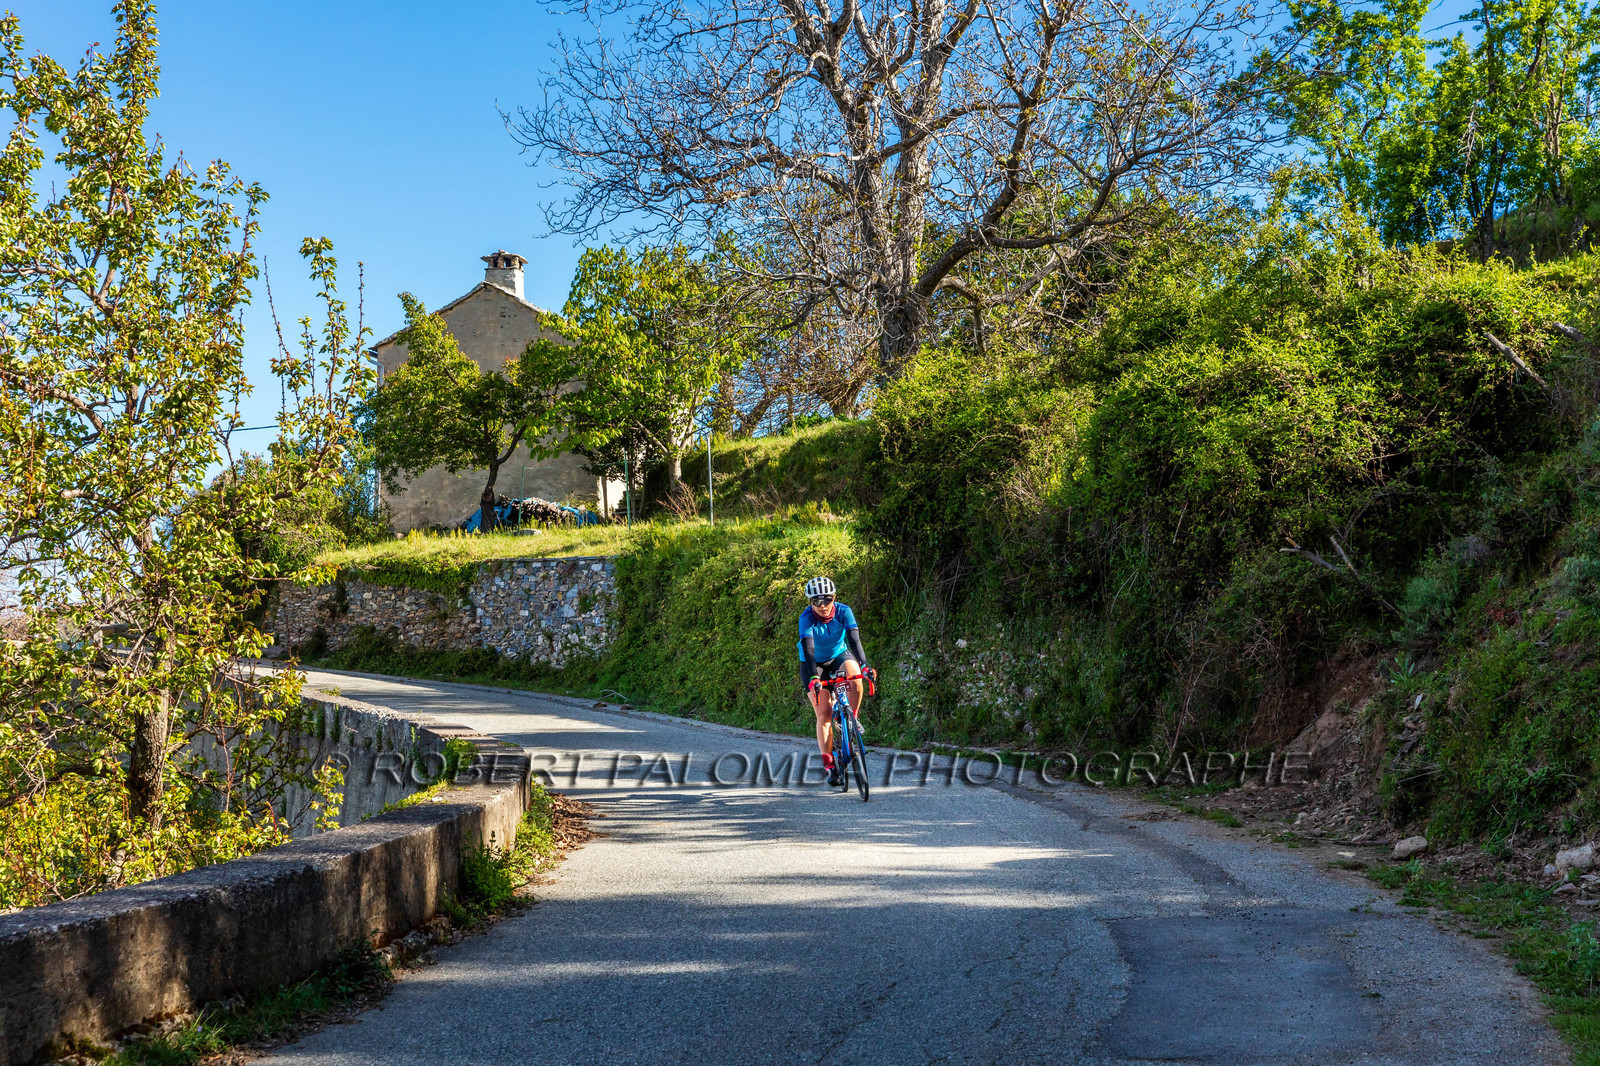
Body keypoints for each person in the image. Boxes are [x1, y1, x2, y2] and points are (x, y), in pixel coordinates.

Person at [797, 575, 874, 787]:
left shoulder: (843, 611)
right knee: (824, 712)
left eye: (827, 600)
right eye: (816, 602)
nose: (823, 606)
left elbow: (854, 639)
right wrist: (814, 677)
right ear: (810, 602)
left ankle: (852, 717)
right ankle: (830, 765)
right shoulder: (806, 618)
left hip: (839, 655)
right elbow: (809, 649)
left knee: (855, 675)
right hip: (813, 663)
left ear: (834, 597)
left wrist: (865, 664)